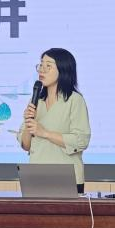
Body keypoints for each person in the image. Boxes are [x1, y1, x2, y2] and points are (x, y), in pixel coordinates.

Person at [18, 48, 91, 192]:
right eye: (41, 65)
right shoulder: (36, 100)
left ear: (63, 70)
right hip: (35, 176)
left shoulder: (74, 100)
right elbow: (26, 145)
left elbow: (81, 140)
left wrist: (45, 133)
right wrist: (28, 123)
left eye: (48, 66)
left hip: (66, 177)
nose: (42, 70)